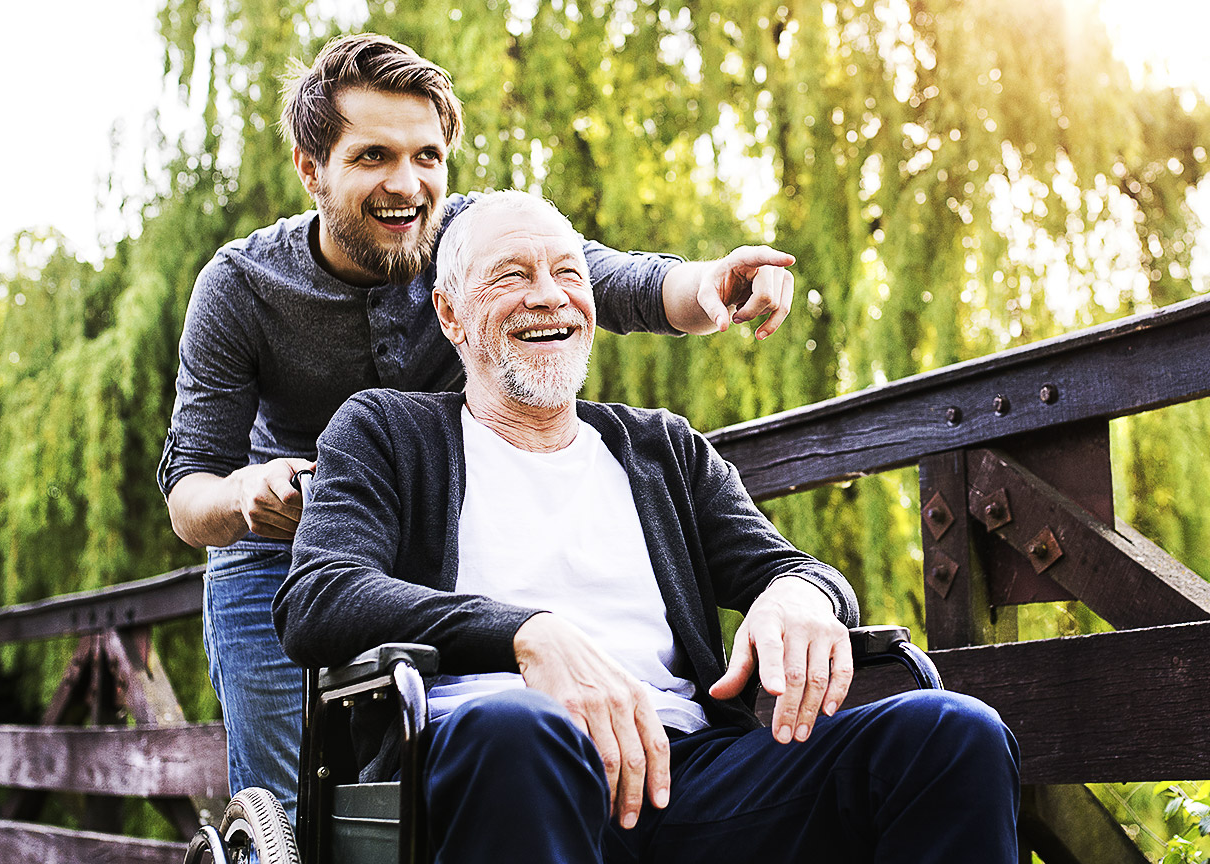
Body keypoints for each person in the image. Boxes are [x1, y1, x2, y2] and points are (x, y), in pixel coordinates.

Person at [157, 34, 801, 814]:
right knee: (296, 810)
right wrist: (247, 496)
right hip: (279, 553)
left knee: (441, 770)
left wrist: (716, 285)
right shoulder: (240, 287)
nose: (407, 184)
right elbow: (189, 497)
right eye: (372, 157)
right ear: (309, 168)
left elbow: (614, 281)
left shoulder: (472, 241)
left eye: (427, 156)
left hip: (429, 537)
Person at [276, 190, 1020, 863]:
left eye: (569, 275)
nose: (550, 299)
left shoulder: (662, 448)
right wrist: (526, 634)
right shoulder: (386, 431)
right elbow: (319, 598)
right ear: (450, 314)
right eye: (511, 277)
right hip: (491, 767)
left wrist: (802, 594)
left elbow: (788, 568)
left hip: (684, 775)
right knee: (520, 730)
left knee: (954, 736)